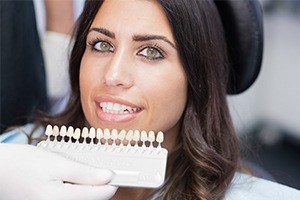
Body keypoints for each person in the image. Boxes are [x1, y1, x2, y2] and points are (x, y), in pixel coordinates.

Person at [0, 0, 299, 200]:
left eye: (151, 52)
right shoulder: (16, 159)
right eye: (101, 45)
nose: (113, 75)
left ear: (198, 77)